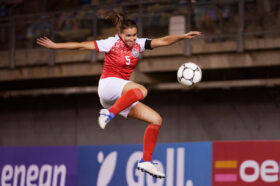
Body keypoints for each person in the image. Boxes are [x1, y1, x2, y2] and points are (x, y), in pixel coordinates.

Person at [37, 10, 201, 179]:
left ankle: (145, 160)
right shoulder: (111, 43)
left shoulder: (140, 44)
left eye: (134, 35)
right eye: (128, 36)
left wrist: (183, 36)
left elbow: (164, 41)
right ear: (120, 35)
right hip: (108, 86)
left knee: (156, 120)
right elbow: (81, 45)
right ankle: (109, 114)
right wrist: (55, 46)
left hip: (118, 97)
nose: (132, 39)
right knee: (142, 90)